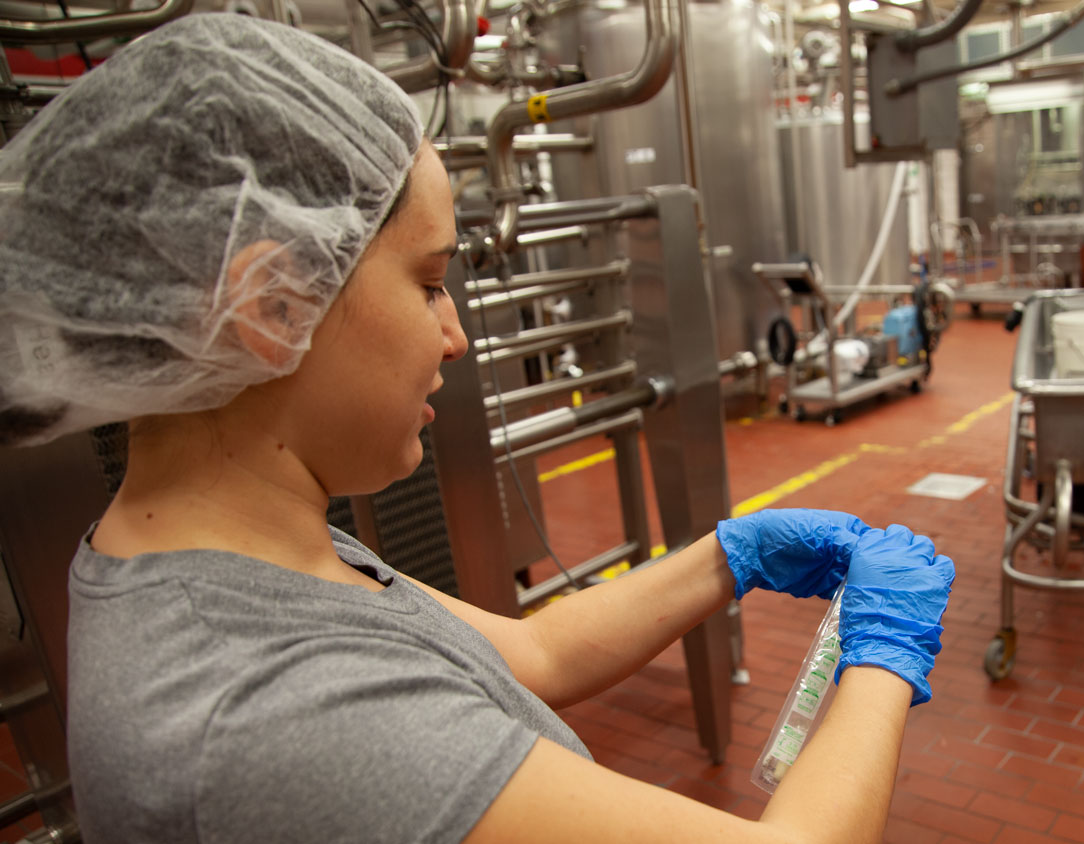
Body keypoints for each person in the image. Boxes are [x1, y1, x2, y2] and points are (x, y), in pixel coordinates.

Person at [0, 13, 955, 844]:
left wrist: (729, 556)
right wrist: (882, 653)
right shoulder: (269, 715)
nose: (454, 334)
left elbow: (536, 655)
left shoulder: (230, 553)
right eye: (426, 282)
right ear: (270, 303)